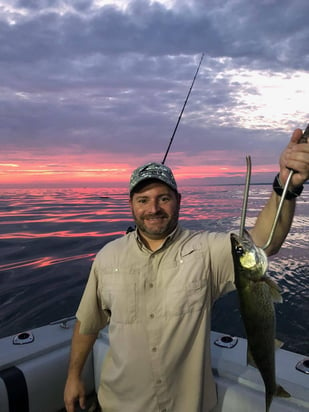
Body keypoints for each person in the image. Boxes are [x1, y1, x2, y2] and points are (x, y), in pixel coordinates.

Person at [64, 128, 309, 412]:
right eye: (143, 200)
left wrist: (286, 185)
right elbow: (88, 322)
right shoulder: (108, 257)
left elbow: (265, 243)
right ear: (131, 205)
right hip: (120, 404)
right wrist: (73, 376)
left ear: (178, 200)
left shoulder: (207, 250)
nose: (153, 208)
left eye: (163, 198)